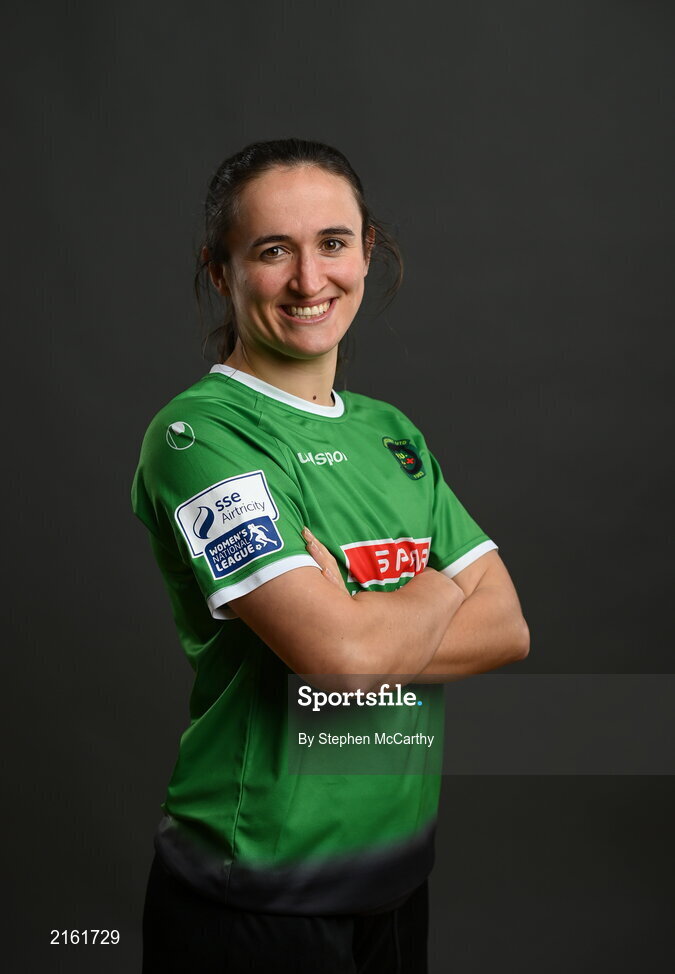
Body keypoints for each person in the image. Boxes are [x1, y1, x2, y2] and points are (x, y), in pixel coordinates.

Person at [131, 138, 530, 973]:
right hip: (254, 890)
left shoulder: (393, 434)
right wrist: (430, 593)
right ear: (220, 271)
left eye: (332, 243)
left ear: (366, 249)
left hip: (394, 871)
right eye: (272, 250)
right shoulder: (199, 435)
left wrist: (361, 618)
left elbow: (506, 627)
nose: (310, 281)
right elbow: (340, 660)